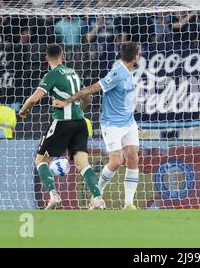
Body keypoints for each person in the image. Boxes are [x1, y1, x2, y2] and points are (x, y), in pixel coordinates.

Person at [53, 42, 140, 210]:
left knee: (133, 158)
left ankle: (129, 204)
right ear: (136, 56)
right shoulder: (117, 73)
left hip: (129, 123)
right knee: (116, 161)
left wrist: (131, 118)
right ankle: (96, 195)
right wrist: (68, 101)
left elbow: (125, 101)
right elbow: (93, 88)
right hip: (112, 125)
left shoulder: (129, 73)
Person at [18, 44, 105, 210]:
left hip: (62, 122)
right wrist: (78, 110)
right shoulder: (73, 72)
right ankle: (98, 198)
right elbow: (87, 98)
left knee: (41, 160)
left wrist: (23, 110)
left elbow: (34, 98)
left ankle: (54, 195)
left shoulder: (52, 75)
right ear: (63, 56)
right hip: (80, 122)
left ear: (46, 58)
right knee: (83, 164)